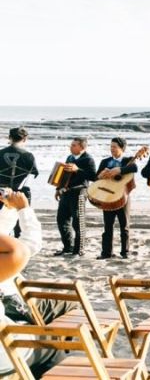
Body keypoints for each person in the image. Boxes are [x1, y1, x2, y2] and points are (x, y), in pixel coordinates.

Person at [1, 189, 77, 378]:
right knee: (53, 345)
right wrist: (22, 209)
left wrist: (8, 211)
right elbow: (24, 249)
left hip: (12, 308)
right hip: (13, 313)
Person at [96, 137, 138, 260]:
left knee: (124, 226)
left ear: (122, 148)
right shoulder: (105, 161)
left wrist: (118, 170)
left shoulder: (128, 160)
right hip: (108, 195)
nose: (112, 149)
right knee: (107, 226)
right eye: (111, 146)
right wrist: (101, 175)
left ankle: (125, 252)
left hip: (123, 196)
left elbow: (134, 168)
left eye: (114, 147)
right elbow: (96, 177)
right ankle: (106, 252)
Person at [54, 137, 96, 257]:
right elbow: (64, 175)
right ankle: (68, 247)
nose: (70, 147)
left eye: (74, 145)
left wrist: (78, 170)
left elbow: (93, 176)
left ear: (82, 147)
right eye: (71, 145)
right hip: (66, 192)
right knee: (61, 220)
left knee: (78, 222)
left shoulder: (88, 159)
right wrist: (58, 189)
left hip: (80, 192)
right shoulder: (70, 157)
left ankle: (79, 250)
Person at [0, 127, 38, 238]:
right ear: (25, 139)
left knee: (1, 222)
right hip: (20, 193)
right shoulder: (28, 155)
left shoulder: (0, 153)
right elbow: (33, 174)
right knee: (22, 220)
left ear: (9, 138)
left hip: (1, 192)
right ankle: (19, 244)